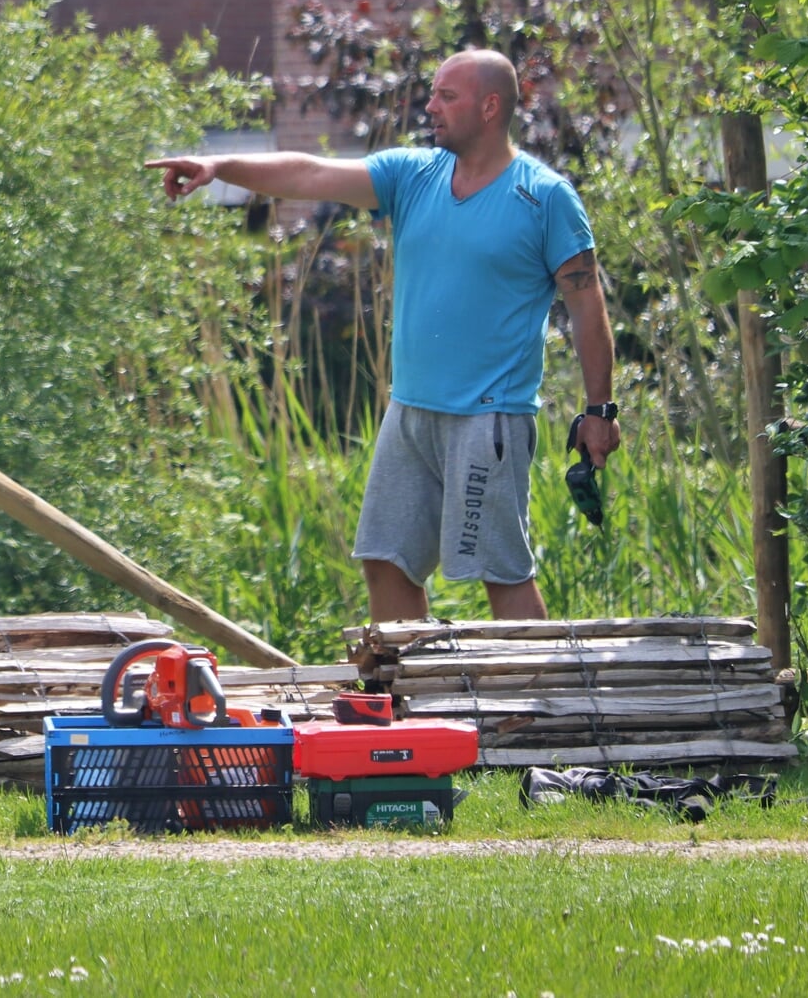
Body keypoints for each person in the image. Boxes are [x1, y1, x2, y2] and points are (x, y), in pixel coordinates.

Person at [146, 48, 620, 623]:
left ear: (490, 106)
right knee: (385, 561)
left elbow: (587, 305)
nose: (431, 106)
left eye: (447, 95)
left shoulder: (544, 197)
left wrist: (600, 408)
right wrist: (219, 168)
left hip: (489, 417)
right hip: (410, 411)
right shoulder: (412, 175)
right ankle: (410, 698)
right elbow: (308, 173)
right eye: (433, 93)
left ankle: (537, 707)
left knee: (501, 574)